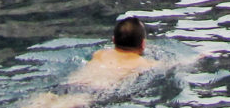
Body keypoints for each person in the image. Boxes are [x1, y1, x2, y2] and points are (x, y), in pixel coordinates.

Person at [21, 17, 158, 108]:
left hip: (70, 84)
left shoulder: (100, 53)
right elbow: (167, 65)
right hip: (93, 91)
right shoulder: (142, 63)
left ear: (113, 40)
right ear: (143, 44)